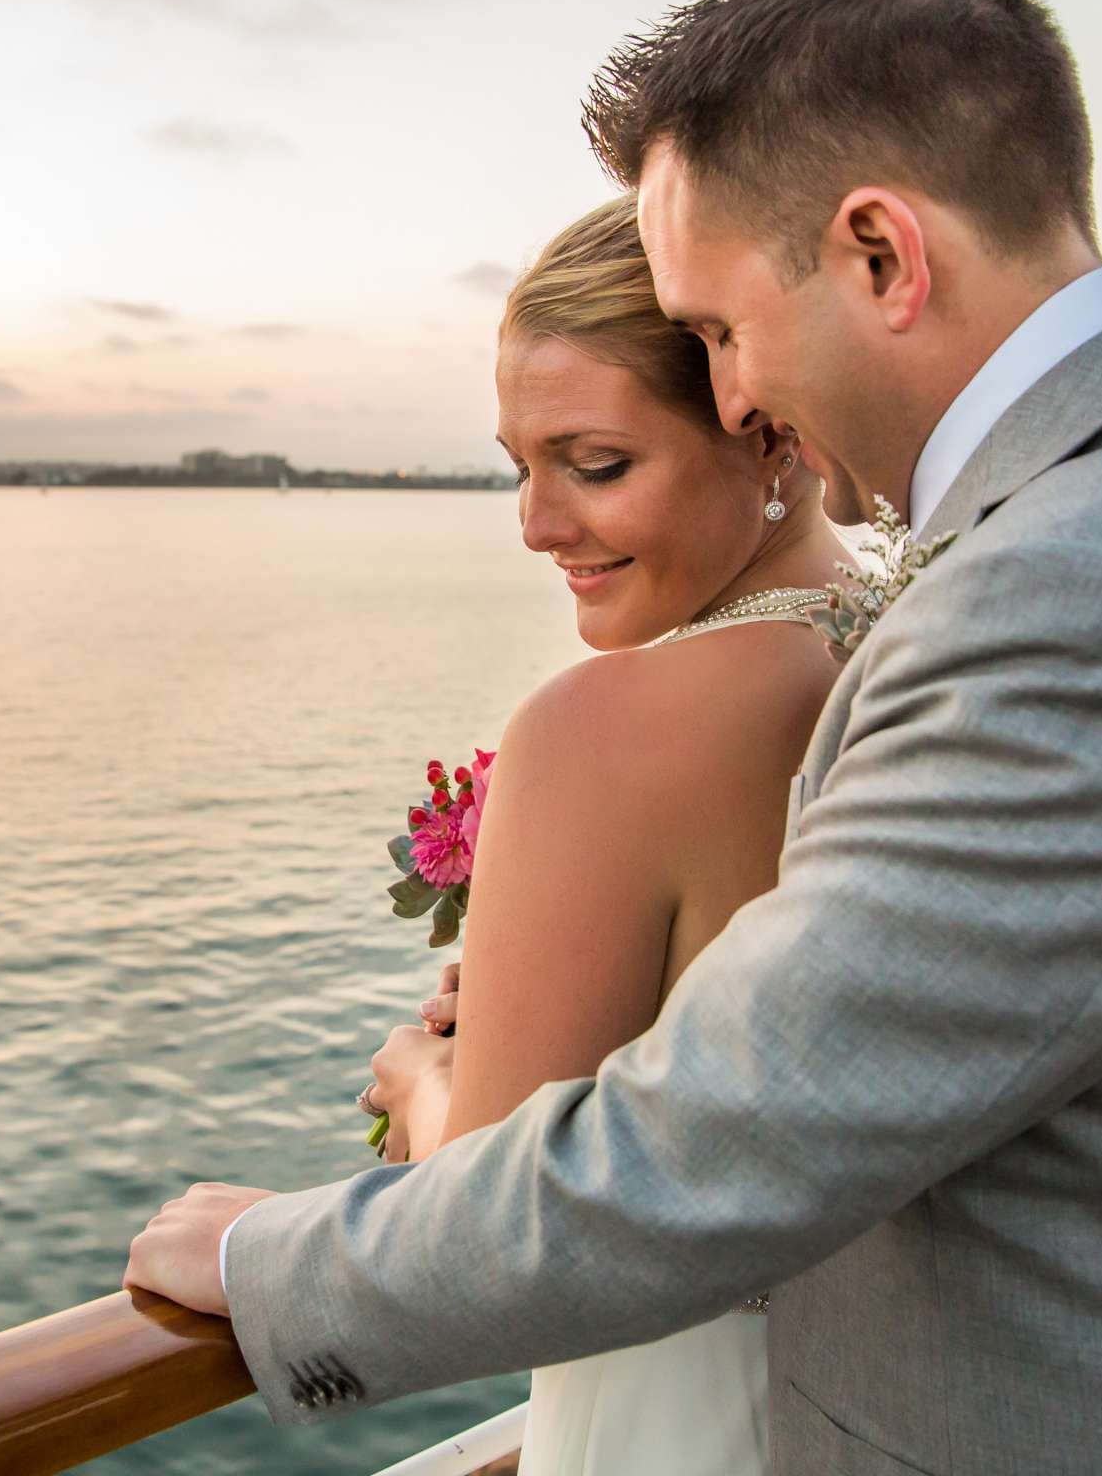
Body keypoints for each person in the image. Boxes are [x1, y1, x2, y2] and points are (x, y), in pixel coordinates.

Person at [124, 0, 1102, 1475]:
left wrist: (281, 1264)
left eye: (721, 331)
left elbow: (713, 1151)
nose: (740, 396)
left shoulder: (1088, 600)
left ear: (882, 255)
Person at [353, 192, 848, 1475]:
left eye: (596, 464)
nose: (536, 522)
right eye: (520, 463)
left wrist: (420, 1083)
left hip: (677, 1416)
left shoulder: (603, 730)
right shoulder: (919, 630)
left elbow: (480, 1229)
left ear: (768, 435)